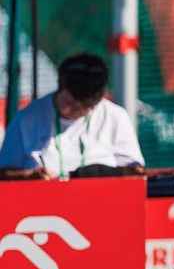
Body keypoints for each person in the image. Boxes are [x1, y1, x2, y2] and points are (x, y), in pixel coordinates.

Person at [0, 52, 144, 180]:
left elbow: (134, 173)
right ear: (60, 88)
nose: (78, 110)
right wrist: (30, 176)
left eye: (87, 106)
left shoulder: (116, 117)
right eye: (71, 102)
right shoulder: (26, 119)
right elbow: (4, 173)